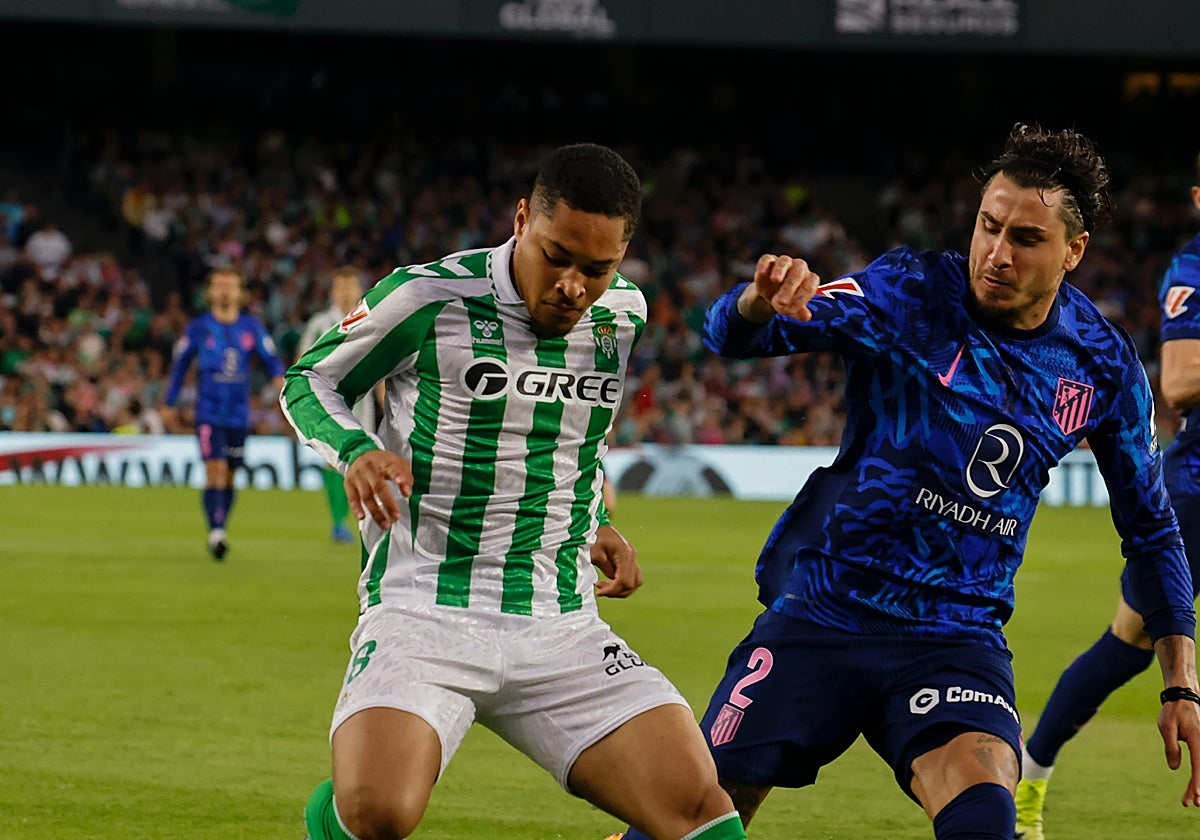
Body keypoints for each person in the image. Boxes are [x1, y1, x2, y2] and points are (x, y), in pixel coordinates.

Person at [613, 124, 1200, 840]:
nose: (996, 253)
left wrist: (1180, 682)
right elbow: (735, 336)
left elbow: (1152, 529)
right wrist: (758, 302)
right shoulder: (910, 290)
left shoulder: (1102, 366)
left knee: (986, 820)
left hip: (957, 636)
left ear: (1073, 251)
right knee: (689, 824)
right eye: (989, 226)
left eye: (1026, 239)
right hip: (826, 613)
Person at [282, 143, 746, 840]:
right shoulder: (430, 296)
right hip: (425, 609)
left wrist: (589, 524)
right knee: (376, 813)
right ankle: (346, 801)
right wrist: (358, 449)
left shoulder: (622, 315)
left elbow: (571, 440)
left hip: (561, 624)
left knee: (704, 820)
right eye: (556, 255)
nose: (572, 285)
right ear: (522, 218)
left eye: (597, 268)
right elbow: (309, 379)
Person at [1013, 150, 1200, 839]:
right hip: (1199, 488)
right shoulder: (1193, 268)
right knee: (1132, 637)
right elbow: (1179, 383)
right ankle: (1031, 779)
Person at [162, 267, 285, 560]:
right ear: (210, 293)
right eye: (219, 286)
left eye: (231, 286)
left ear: (241, 294)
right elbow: (179, 367)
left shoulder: (252, 327)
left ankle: (220, 525)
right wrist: (169, 402)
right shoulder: (198, 328)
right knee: (214, 470)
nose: (225, 291)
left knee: (230, 475)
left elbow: (272, 361)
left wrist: (281, 385)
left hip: (239, 415)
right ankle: (216, 532)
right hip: (208, 412)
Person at [296, 266, 380, 544]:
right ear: (333, 291)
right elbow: (302, 361)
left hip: (362, 401)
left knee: (360, 457)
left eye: (350, 286)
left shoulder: (372, 317)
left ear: (359, 290)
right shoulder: (321, 323)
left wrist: (383, 397)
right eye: (341, 287)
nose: (346, 292)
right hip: (330, 398)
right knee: (335, 461)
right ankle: (338, 522)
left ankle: (357, 520)